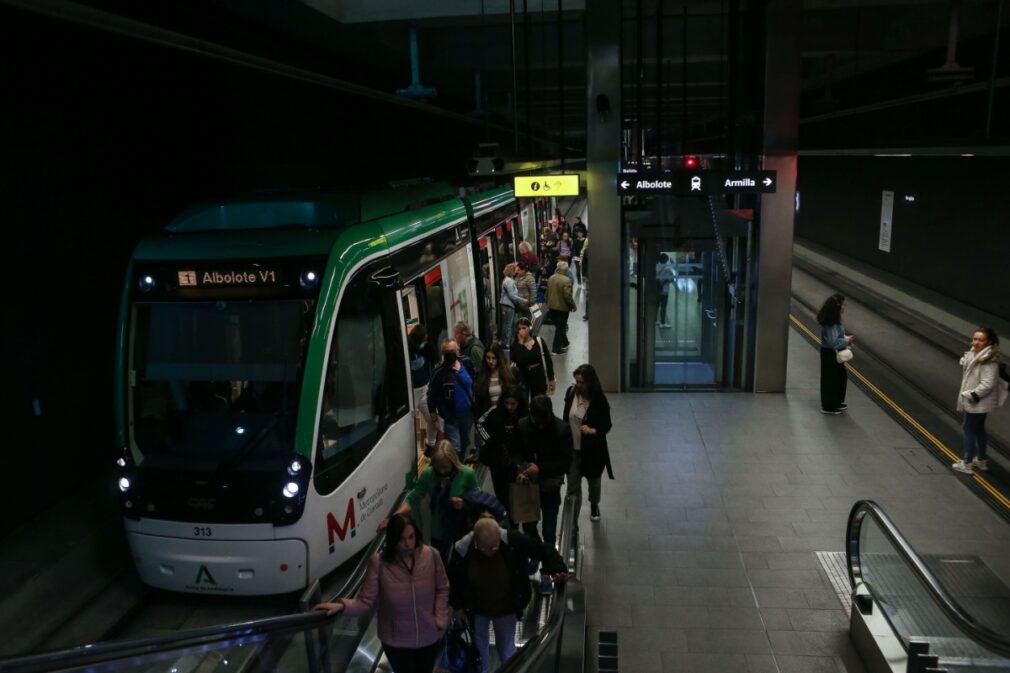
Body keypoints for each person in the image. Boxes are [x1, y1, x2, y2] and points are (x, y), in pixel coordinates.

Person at [314, 513, 449, 673]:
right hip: (397, 643)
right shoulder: (379, 564)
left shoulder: (431, 555)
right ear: (392, 540)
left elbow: (442, 587)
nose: (408, 544)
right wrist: (342, 606)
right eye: (401, 539)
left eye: (411, 537)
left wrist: (440, 618)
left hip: (428, 637)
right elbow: (365, 602)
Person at [448, 515, 569, 673]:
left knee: (506, 648)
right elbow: (454, 579)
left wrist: (558, 569)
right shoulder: (463, 549)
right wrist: (457, 607)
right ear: (477, 544)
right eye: (488, 548)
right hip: (476, 611)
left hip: (506, 610)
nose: (493, 550)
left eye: (495, 545)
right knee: (479, 647)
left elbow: (543, 549)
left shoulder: (512, 540)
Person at [385, 440, 480, 560]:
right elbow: (414, 498)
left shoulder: (467, 474)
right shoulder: (428, 474)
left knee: (460, 563)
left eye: (445, 467)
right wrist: (394, 517)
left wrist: (464, 503)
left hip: (460, 528)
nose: (441, 471)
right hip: (438, 530)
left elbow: (479, 498)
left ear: (453, 461)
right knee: (440, 563)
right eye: (438, 467)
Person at [517, 394, 572, 548]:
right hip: (528, 485)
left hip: (549, 487)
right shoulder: (522, 426)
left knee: (549, 529)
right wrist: (524, 466)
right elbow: (516, 452)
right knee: (528, 527)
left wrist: (540, 469)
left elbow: (565, 463)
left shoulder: (561, 430)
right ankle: (536, 551)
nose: (540, 426)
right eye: (536, 422)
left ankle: (548, 558)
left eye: (543, 422)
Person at [952, 328, 1007, 474]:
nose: (976, 342)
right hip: (980, 401)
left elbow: (988, 384)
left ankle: (967, 463)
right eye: (975, 339)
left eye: (981, 340)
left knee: (968, 430)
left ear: (988, 342)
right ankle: (981, 460)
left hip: (978, 402)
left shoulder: (988, 360)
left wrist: (972, 395)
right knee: (979, 430)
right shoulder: (975, 353)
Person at [563, 364, 613, 523]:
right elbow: (566, 417)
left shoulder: (599, 399)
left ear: (590, 382)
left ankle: (594, 504)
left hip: (591, 451)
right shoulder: (571, 393)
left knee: (594, 482)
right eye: (577, 381)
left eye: (582, 382)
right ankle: (572, 521)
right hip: (572, 449)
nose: (578, 385)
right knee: (572, 487)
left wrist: (593, 431)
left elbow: (607, 424)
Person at [477, 384, 529, 509]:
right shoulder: (495, 411)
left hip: (516, 461)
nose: (509, 407)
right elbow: (480, 424)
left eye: (513, 404)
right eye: (506, 403)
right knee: (501, 494)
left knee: (515, 493)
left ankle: (513, 522)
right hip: (497, 461)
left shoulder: (525, 415)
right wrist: (489, 440)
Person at [428, 339, 476, 457]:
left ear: (457, 351)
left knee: (465, 442)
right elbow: (431, 395)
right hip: (450, 417)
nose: (450, 354)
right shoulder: (438, 372)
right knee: (455, 448)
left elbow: (474, 380)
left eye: (453, 351)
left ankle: (459, 463)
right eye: (447, 351)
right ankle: (455, 468)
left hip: (467, 415)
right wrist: (434, 418)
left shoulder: (466, 362)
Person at [816, 293, 854, 415]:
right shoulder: (832, 322)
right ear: (837, 306)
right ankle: (829, 406)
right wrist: (847, 340)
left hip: (831, 353)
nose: (845, 307)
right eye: (843, 304)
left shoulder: (834, 320)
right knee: (831, 379)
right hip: (830, 354)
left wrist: (844, 338)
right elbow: (833, 342)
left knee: (840, 377)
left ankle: (836, 402)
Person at [407, 324, 440, 451]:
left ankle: (430, 445)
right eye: (423, 340)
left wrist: (429, 346)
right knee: (408, 426)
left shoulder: (425, 348)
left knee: (433, 419)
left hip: (424, 389)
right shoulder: (406, 350)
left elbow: (436, 359)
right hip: (411, 393)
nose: (424, 343)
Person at [510, 317, 555, 400]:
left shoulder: (539, 341)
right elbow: (519, 360)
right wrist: (520, 343)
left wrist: (551, 378)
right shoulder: (515, 345)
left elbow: (548, 360)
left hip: (538, 375)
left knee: (538, 401)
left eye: (524, 328)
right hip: (523, 376)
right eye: (519, 329)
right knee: (523, 401)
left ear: (529, 329)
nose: (521, 331)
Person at [474, 342, 516, 420]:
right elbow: (479, 403)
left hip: (506, 417)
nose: (490, 361)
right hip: (488, 418)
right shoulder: (480, 376)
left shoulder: (509, 375)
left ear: (499, 358)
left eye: (494, 358)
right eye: (488, 358)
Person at [546, 261, 577, 355]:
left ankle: (565, 342)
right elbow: (567, 296)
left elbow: (547, 293)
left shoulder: (551, 278)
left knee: (559, 326)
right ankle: (556, 349)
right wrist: (573, 306)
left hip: (551, 307)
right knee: (560, 328)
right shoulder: (566, 280)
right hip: (562, 308)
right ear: (566, 270)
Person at [498, 264, 525, 350]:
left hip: (509, 306)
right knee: (508, 325)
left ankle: (511, 342)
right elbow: (512, 295)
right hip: (508, 306)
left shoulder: (508, 280)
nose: (516, 271)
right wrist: (522, 300)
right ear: (511, 271)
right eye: (514, 270)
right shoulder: (509, 281)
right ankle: (505, 343)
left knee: (512, 324)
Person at [656, 253, 677, 328]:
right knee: (663, 306)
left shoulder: (657, 266)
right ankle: (663, 323)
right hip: (664, 290)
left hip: (657, 289)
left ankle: (656, 320)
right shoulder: (667, 268)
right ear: (666, 260)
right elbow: (672, 278)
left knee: (657, 305)